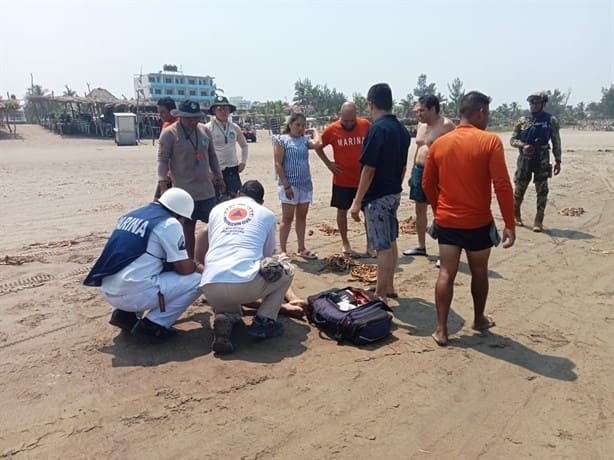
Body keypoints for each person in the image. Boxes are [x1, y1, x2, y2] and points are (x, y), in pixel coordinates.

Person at [422, 91, 516, 347]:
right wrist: (509, 222)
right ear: (481, 112)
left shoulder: (439, 144)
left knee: (445, 273)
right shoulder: (490, 141)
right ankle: (478, 320)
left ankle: (441, 330)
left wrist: (438, 209)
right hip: (478, 222)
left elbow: (427, 183)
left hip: (448, 222)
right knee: (479, 271)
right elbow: (502, 185)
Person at [83, 188, 203, 341]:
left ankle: (124, 315)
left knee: (147, 265)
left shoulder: (131, 215)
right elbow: (184, 269)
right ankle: (154, 325)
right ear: (180, 214)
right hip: (132, 295)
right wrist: (196, 265)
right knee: (197, 280)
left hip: (108, 290)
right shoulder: (169, 224)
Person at [199, 180, 295, 353]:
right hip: (244, 284)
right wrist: (279, 260)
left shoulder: (217, 209)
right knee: (286, 270)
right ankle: (263, 322)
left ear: (238, 194)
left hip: (210, 284)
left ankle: (226, 316)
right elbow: (266, 260)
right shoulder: (266, 214)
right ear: (261, 202)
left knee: (229, 299)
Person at [350, 83, 411, 300]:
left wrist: (357, 202)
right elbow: (403, 167)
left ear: (371, 103)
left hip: (378, 196)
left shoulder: (377, 129)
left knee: (382, 246)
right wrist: (395, 185)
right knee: (391, 240)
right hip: (393, 192)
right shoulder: (402, 130)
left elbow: (369, 168)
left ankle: (380, 293)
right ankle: (390, 286)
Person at [157, 99, 225, 259]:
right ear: (180, 116)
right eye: (189, 118)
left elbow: (213, 156)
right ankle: (190, 262)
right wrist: (162, 184)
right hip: (183, 193)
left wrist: (219, 176)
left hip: (206, 190)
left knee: (216, 224)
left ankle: (214, 256)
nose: (193, 121)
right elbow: (162, 160)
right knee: (187, 229)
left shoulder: (204, 131)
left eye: (196, 118)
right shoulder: (169, 134)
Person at [315, 101, 373, 256]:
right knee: (342, 212)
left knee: (368, 212)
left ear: (356, 116)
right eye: (345, 120)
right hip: (342, 180)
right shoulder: (332, 129)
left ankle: (370, 244)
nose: (348, 124)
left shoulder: (365, 125)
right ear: (340, 115)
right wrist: (329, 164)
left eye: (351, 120)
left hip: (363, 179)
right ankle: (345, 242)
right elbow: (318, 147)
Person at [403, 95, 455, 257]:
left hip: (439, 173)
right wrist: (412, 172)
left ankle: (444, 253)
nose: (419, 114)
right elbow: (419, 149)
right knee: (419, 209)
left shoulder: (446, 126)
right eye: (417, 111)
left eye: (422, 111)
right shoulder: (421, 126)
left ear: (433, 109)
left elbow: (456, 151)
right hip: (420, 170)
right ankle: (421, 246)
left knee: (440, 211)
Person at [510, 91, 562, 232]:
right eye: (531, 103)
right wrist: (523, 145)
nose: (533, 105)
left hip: (542, 158)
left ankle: (539, 220)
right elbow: (512, 140)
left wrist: (558, 160)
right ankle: (516, 215)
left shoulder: (550, 120)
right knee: (520, 188)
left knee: (542, 190)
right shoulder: (523, 120)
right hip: (525, 159)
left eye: (536, 102)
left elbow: (556, 141)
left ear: (543, 104)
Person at [273, 113, 321, 260]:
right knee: (287, 218)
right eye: (297, 125)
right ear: (290, 125)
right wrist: (286, 186)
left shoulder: (304, 140)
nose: (300, 128)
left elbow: (318, 144)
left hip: (305, 185)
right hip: (290, 185)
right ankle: (282, 250)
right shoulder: (282, 140)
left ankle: (301, 248)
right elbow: (277, 164)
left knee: (302, 217)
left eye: (303, 125)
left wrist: (313, 131)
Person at [204, 96, 249, 201]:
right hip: (216, 171)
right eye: (220, 109)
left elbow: (244, 145)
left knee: (237, 200)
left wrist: (243, 162)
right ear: (214, 111)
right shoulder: (207, 128)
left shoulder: (234, 127)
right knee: (217, 202)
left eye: (226, 109)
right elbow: (203, 152)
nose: (223, 111)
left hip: (233, 170)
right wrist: (209, 171)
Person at [153, 97, 177, 200]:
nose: (160, 115)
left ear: (172, 111)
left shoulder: (179, 126)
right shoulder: (166, 124)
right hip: (166, 174)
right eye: (159, 112)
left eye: (163, 112)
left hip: (175, 176)